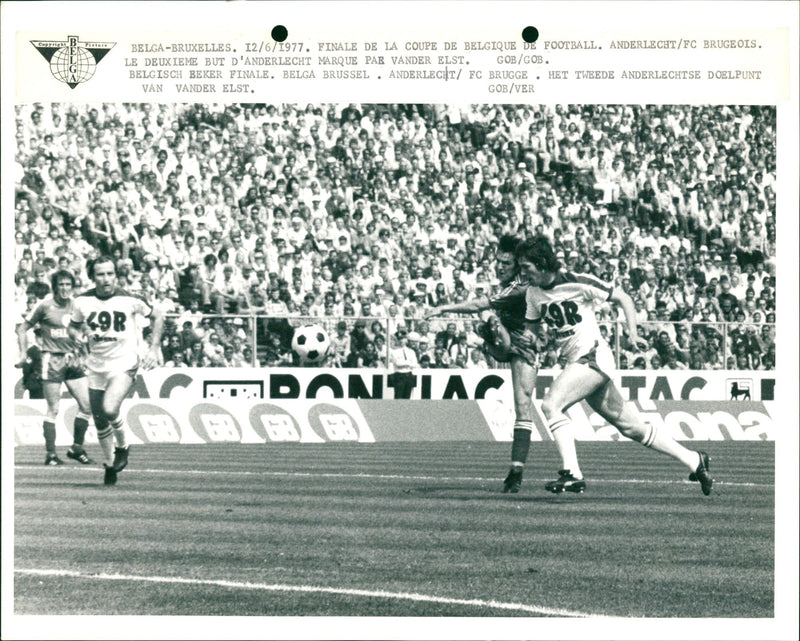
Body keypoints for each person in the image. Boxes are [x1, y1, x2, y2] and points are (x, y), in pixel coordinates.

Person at [514, 236, 713, 495]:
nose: (522, 272)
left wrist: (631, 333)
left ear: (541, 264)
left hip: (593, 357)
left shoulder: (578, 282)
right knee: (632, 427)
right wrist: (523, 340)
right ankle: (694, 460)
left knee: (551, 405)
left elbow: (623, 298)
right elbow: (532, 331)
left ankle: (572, 473)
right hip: (578, 363)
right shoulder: (532, 293)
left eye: (526, 266)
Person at [427, 235, 538, 493]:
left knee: (523, 407)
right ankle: (489, 338)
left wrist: (444, 309)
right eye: (498, 261)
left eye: (505, 263)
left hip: (525, 347)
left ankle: (516, 470)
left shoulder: (520, 286)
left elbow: (480, 303)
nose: (499, 267)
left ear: (517, 264)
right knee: (488, 318)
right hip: (509, 342)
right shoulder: (514, 284)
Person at [68, 256, 164, 485]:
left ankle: (123, 447)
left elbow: (158, 315)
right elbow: (73, 326)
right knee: (100, 420)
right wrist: (76, 336)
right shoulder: (82, 301)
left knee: (110, 409)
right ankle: (111, 465)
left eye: (110, 274)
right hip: (96, 366)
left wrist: (154, 348)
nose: (106, 279)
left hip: (124, 362)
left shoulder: (129, 298)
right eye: (101, 274)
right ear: (93, 277)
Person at [16, 269, 95, 466]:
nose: (65, 289)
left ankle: (77, 448)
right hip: (52, 360)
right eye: (61, 285)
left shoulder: (77, 305)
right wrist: (24, 353)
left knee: (87, 405)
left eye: (68, 285)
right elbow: (22, 328)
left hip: (74, 360)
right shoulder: (44, 306)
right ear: (55, 287)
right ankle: (50, 454)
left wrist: (87, 336)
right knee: (54, 408)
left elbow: (84, 327)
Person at [388, 327, 418, 398]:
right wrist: (408, 363)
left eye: (403, 338)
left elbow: (414, 364)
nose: (401, 341)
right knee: (398, 396)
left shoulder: (411, 351)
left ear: (406, 340)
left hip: (409, 375)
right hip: (399, 375)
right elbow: (398, 363)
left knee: (407, 396)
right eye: (399, 339)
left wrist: (405, 363)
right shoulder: (394, 352)